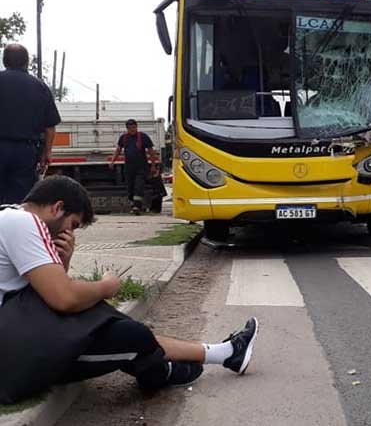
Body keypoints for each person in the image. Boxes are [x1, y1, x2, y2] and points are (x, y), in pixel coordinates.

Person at [0, 176, 259, 405]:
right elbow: (63, 298)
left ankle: (217, 355)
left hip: (17, 336)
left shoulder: (10, 218)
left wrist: (64, 261)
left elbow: (49, 293)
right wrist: (107, 286)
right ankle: (164, 370)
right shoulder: (22, 222)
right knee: (131, 336)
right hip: (11, 356)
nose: (70, 233)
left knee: (106, 321)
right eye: (73, 224)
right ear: (57, 208)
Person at [0, 44, 61, 204]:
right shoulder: (40, 87)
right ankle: (13, 226)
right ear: (26, 62)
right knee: (19, 198)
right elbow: (50, 126)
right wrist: (47, 152)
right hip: (26, 151)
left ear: (4, 61)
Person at [109, 119, 157, 214]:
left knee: (138, 186)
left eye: (134, 127)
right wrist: (112, 161)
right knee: (130, 187)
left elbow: (151, 151)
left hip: (141, 167)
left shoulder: (143, 137)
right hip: (129, 167)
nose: (132, 130)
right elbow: (118, 150)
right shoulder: (123, 138)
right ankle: (133, 205)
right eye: (130, 128)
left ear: (137, 127)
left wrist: (153, 165)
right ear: (127, 128)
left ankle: (137, 207)